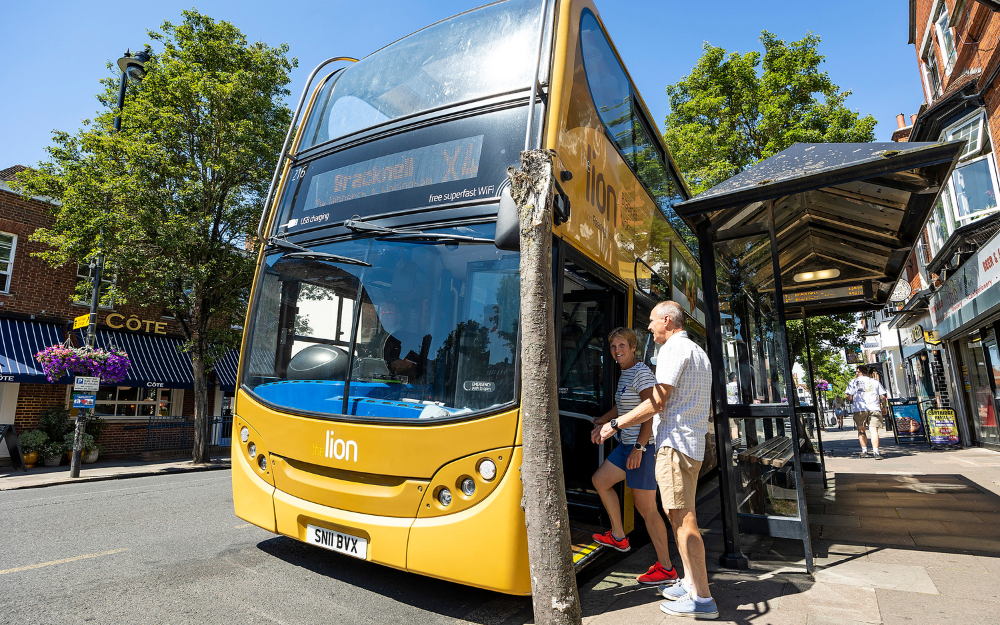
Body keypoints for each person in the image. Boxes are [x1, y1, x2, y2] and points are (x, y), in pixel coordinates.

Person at [598, 301, 718, 620]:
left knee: (682, 518)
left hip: (676, 445)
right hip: (689, 443)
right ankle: (689, 582)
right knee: (677, 514)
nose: (649, 327)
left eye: (651, 321)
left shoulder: (672, 350)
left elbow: (656, 403)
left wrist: (615, 424)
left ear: (667, 320)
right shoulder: (696, 351)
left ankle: (702, 599)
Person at [590, 328, 679, 586]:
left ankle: (666, 568)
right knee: (601, 481)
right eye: (613, 346)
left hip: (643, 447)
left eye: (622, 345)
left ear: (633, 347)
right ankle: (619, 536)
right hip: (626, 444)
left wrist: (640, 448)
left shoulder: (640, 373)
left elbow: (649, 411)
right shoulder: (626, 372)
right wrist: (603, 419)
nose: (617, 350)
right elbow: (624, 405)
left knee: (647, 509)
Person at [845, 365, 889, 459]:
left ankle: (864, 451)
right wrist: (884, 407)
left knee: (861, 430)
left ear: (859, 372)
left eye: (857, 372)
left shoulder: (853, 382)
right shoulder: (874, 381)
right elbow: (882, 396)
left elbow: (848, 395)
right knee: (874, 430)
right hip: (874, 408)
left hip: (860, 409)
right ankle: (876, 453)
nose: (856, 373)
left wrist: (854, 401)